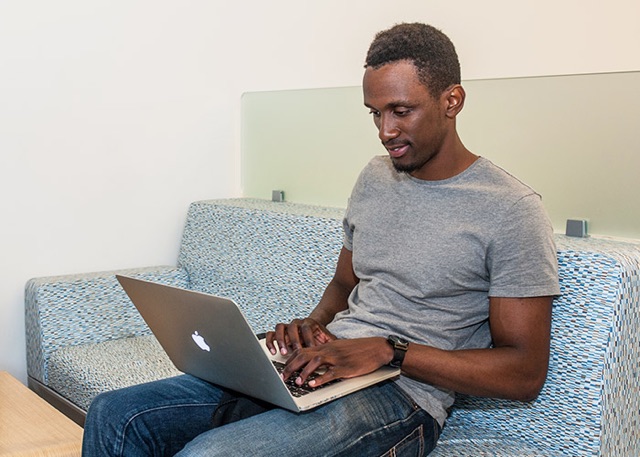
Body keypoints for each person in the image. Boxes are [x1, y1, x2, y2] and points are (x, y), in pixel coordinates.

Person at [82, 23, 560, 456]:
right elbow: (342, 285)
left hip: (401, 397)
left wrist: (391, 350)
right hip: (320, 366)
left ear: (451, 101)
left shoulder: (510, 209)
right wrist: (311, 326)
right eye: (374, 114)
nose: (385, 132)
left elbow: (523, 373)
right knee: (114, 414)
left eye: (401, 111)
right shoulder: (376, 177)